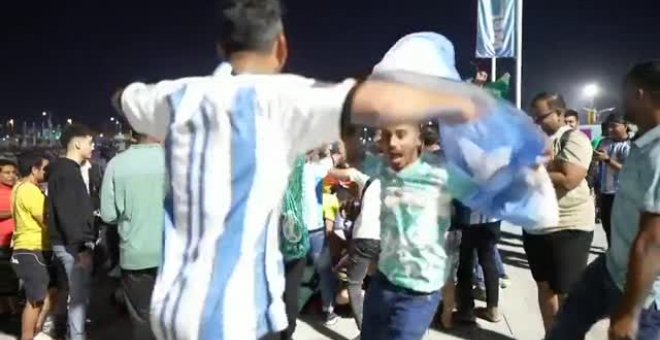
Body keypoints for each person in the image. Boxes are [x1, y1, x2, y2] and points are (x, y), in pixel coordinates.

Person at [113, 0, 484, 337]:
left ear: (222, 48)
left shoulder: (175, 96)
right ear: (281, 47)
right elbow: (378, 102)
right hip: (234, 317)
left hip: (172, 311)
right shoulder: (282, 100)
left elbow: (125, 99)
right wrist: (464, 100)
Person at [547, 61, 660, 340]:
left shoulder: (658, 153)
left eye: (626, 91)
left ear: (640, 94)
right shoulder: (644, 142)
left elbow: (652, 241)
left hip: (643, 294)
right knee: (564, 328)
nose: (621, 101)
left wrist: (629, 313)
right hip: (611, 268)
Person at [527, 92, 595, 334]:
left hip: (568, 226)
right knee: (544, 286)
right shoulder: (533, 141)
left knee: (567, 290)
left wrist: (529, 170)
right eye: (533, 116)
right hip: (535, 225)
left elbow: (569, 179)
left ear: (559, 114)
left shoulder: (574, 140)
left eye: (541, 116)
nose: (536, 121)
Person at [100, 131, 166, 340]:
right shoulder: (176, 161)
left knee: (143, 319)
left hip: (135, 255)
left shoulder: (116, 164)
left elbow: (109, 215)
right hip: (174, 255)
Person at [48, 124, 96, 340]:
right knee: (77, 298)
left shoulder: (64, 170)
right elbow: (68, 213)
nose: (93, 146)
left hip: (66, 243)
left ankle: (65, 331)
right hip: (71, 246)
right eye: (90, 142)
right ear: (77, 143)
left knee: (71, 292)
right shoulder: (68, 172)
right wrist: (81, 248)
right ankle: (77, 336)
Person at [11, 152, 55, 340]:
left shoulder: (18, 188)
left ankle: (37, 331)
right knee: (35, 299)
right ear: (34, 169)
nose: (48, 172)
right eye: (45, 168)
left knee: (49, 291)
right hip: (32, 248)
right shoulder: (29, 190)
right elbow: (46, 219)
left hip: (28, 248)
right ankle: (28, 337)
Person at [594, 113, 631, 247]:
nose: (610, 130)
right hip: (605, 193)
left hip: (623, 196)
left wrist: (607, 160)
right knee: (608, 228)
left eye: (614, 126)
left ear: (626, 126)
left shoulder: (630, 146)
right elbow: (598, 164)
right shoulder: (605, 142)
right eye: (608, 127)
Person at [0, 159, 18, 317]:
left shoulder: (18, 189)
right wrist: (15, 212)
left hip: (18, 240)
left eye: (13, 172)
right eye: (6, 173)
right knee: (5, 276)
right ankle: (8, 309)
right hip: (2, 241)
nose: (11, 176)